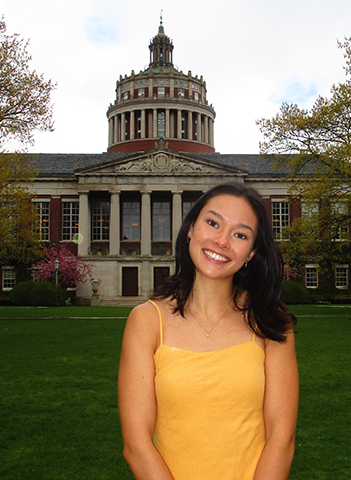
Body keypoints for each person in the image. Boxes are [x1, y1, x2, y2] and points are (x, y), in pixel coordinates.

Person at [118, 183, 298, 480]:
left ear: (251, 252)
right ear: (190, 229)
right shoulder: (146, 321)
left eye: (240, 234)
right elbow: (136, 445)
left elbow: (282, 440)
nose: (221, 241)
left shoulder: (269, 320)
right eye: (212, 223)